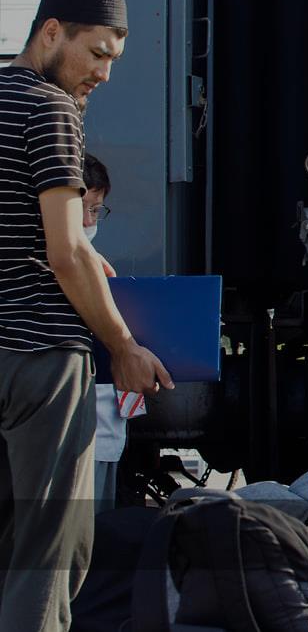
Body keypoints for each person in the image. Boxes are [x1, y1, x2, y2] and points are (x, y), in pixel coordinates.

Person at [0, 0, 172, 631]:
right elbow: (67, 253)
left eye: (113, 59)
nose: (103, 73)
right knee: (48, 551)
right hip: (41, 359)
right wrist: (123, 346)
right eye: (96, 53)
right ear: (51, 32)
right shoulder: (52, 108)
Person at [81, 153, 143, 514]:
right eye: (81, 208)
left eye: (95, 210)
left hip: (103, 429)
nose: (89, 221)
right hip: (80, 431)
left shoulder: (99, 266)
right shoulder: (80, 266)